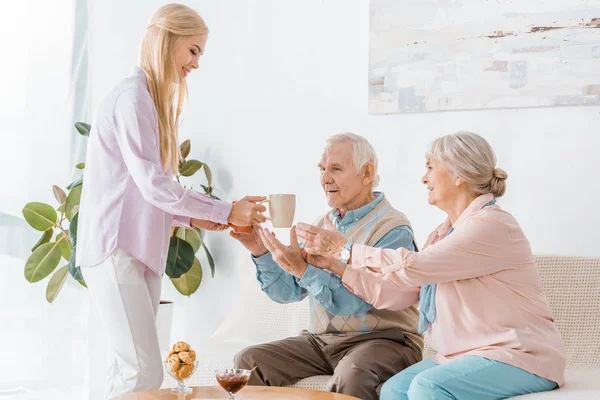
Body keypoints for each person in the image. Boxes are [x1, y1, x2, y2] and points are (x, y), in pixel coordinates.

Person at [284, 131, 566, 399]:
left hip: (519, 356)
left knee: (427, 387)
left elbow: (412, 267)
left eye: (430, 167)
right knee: (394, 391)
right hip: (460, 356)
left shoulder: (492, 225)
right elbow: (399, 293)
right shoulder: (444, 233)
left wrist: (343, 249)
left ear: (458, 174)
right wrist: (337, 266)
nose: (424, 178)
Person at [76, 4, 266, 398]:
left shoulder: (146, 99)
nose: (195, 64)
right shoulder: (132, 99)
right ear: (170, 41)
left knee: (132, 370)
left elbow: (142, 190)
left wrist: (196, 221)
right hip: (117, 250)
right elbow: (153, 184)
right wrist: (226, 209)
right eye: (193, 50)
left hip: (134, 250)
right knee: (141, 371)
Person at [233, 133, 422, 400]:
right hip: (323, 342)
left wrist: (303, 269)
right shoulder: (322, 224)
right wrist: (259, 250)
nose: (324, 179)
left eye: (335, 168)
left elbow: (357, 303)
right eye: (322, 169)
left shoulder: (392, 229)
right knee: (248, 361)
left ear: (366, 173)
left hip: (385, 341)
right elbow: (288, 293)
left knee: (353, 373)